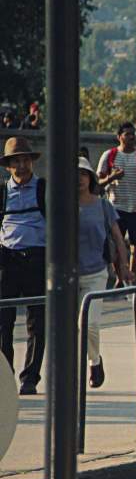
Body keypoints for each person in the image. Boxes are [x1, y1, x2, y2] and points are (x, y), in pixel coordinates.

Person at [78, 156, 132, 388]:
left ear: (90, 178)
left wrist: (124, 266)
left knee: (88, 324)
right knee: (74, 326)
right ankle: (79, 365)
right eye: (74, 175)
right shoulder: (62, 205)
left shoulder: (102, 205)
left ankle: (94, 362)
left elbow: (118, 238)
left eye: (83, 175)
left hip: (96, 272)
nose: (79, 180)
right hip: (69, 274)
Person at [0, 136, 47, 394]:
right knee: (3, 323)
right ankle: (5, 377)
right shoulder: (3, 192)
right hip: (7, 258)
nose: (21, 166)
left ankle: (30, 378)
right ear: (8, 166)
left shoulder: (43, 189)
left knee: (36, 322)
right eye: (16, 161)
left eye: (25, 160)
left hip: (37, 256)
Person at [97, 121, 136, 283]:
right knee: (115, 244)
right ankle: (119, 276)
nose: (131, 137)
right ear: (119, 137)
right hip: (116, 207)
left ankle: (132, 276)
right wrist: (113, 177)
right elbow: (97, 184)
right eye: (127, 134)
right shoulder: (109, 155)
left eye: (132, 134)